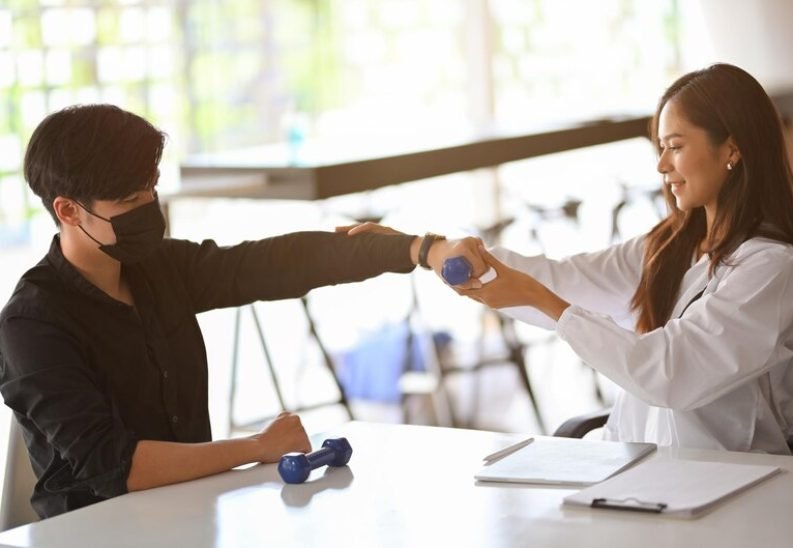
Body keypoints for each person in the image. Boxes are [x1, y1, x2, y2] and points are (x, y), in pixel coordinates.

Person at [0, 104, 478, 519]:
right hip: (92, 534)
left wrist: (418, 249)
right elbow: (114, 466)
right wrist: (256, 447)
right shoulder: (32, 324)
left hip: (192, 515)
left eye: (150, 189)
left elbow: (271, 264)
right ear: (67, 210)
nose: (148, 206)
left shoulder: (158, 268)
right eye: (128, 200)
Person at [352, 63, 793, 454]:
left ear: (732, 149)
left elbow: (670, 372)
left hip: (736, 488)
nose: (661, 165)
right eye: (659, 147)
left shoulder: (769, 268)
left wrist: (545, 302)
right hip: (645, 475)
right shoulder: (668, 247)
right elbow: (563, 278)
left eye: (675, 146)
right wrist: (424, 249)